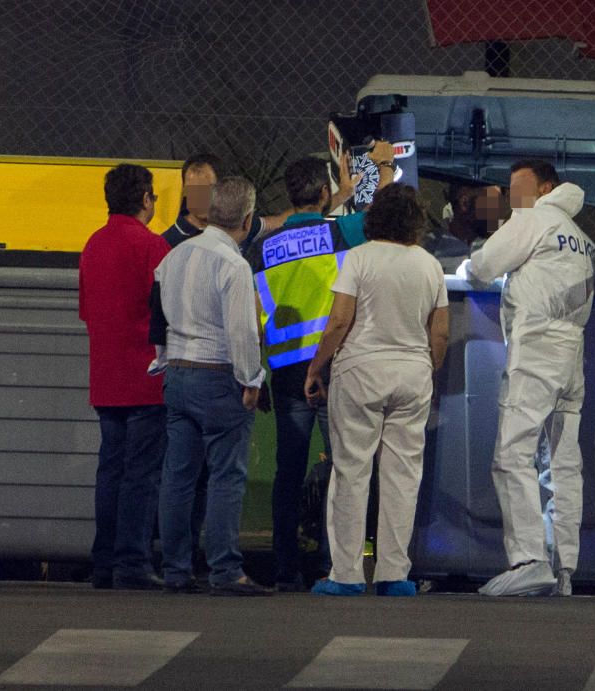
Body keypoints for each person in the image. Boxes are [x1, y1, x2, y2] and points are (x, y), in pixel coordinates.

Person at [245, 145, 394, 592]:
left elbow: (252, 317)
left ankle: (286, 568)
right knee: (344, 470)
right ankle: (335, 566)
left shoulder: (263, 247)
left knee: (287, 476)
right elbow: (384, 213)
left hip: (287, 373)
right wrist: (382, 166)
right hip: (332, 368)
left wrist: (259, 373)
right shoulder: (341, 233)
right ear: (326, 193)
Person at [457, 160, 595, 597]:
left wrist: (471, 265)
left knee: (513, 454)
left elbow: (482, 266)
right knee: (562, 463)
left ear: (545, 188)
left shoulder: (532, 220)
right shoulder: (582, 238)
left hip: (536, 348)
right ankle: (563, 567)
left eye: (520, 188)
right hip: (573, 355)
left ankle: (528, 560)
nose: (513, 197)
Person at [304, 183, 449, 597]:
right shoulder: (429, 265)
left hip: (360, 372)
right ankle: (393, 574)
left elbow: (338, 323)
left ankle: (346, 574)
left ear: (375, 218)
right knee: (403, 476)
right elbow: (439, 333)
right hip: (412, 373)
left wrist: (317, 367)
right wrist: (428, 368)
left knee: (351, 471)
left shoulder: (359, 258)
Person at [153, 176, 269, 596]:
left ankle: (176, 569)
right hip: (217, 376)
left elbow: (159, 319)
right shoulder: (234, 265)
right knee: (225, 476)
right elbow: (242, 333)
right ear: (248, 218)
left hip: (177, 373)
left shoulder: (175, 256)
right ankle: (225, 569)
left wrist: (164, 363)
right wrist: (252, 380)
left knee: (178, 477)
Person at [78, 163, 170, 590]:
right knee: (142, 474)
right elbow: (166, 312)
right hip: (146, 377)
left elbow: (86, 312)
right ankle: (133, 560)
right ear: (146, 199)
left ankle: (104, 559)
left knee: (109, 470)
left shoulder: (92, 246)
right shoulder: (153, 247)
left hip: (105, 375)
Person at [162, 153, 292, 254]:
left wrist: (308, 207)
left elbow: (276, 222)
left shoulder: (237, 225)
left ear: (222, 189)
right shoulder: (168, 243)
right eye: (194, 189)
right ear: (184, 190)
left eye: (207, 189)